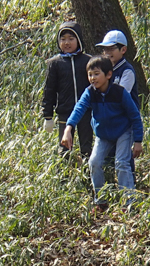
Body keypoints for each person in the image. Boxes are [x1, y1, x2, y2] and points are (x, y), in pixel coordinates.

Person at [61, 56, 143, 212]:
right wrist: (68, 128)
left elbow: (134, 115)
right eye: (90, 74)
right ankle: (101, 201)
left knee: (121, 163)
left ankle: (129, 202)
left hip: (123, 132)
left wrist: (138, 140)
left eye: (96, 74)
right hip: (103, 135)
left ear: (108, 75)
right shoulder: (90, 92)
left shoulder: (120, 93)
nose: (93, 78)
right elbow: (79, 108)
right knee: (94, 162)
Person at [41, 21, 92, 158]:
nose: (66, 43)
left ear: (79, 40)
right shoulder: (55, 63)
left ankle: (88, 177)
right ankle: (64, 178)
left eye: (71, 38)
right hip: (65, 112)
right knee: (64, 149)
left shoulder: (88, 61)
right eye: (63, 39)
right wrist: (48, 116)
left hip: (86, 112)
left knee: (87, 148)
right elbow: (49, 90)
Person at [96, 30, 140, 109]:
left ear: (123, 50)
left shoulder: (127, 71)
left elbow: (120, 96)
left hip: (126, 117)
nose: (107, 52)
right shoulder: (104, 69)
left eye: (112, 48)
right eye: (105, 49)